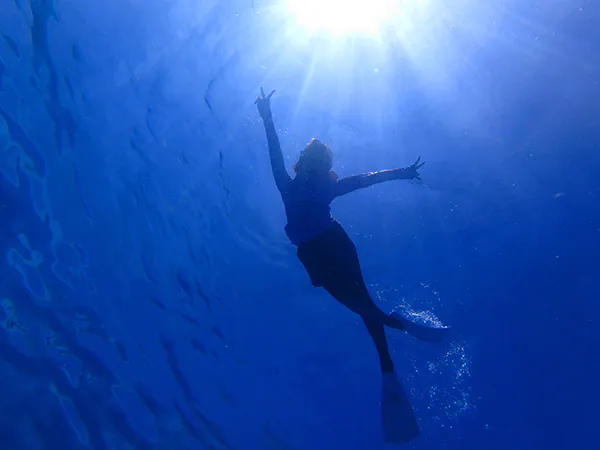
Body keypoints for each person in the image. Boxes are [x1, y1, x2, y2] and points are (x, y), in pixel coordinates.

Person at [255, 87, 448, 382]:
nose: (316, 165)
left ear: (322, 167)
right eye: (313, 159)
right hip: (318, 248)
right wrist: (267, 116)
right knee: (360, 304)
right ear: (305, 162)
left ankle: (391, 340)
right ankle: (389, 355)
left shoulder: (303, 185)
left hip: (330, 244)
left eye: (321, 162)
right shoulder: (292, 184)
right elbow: (275, 151)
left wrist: (403, 172)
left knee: (360, 302)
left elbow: (364, 180)